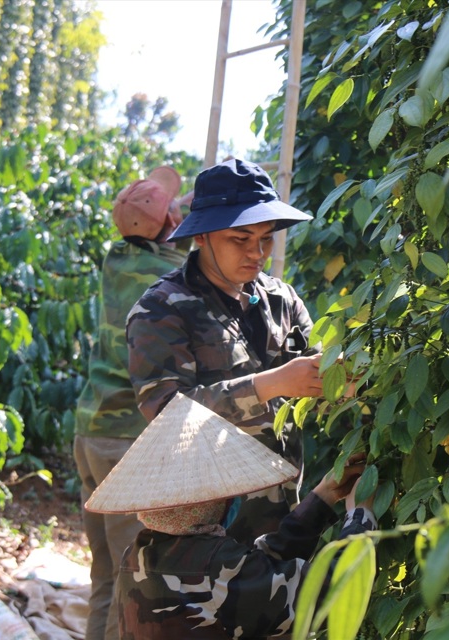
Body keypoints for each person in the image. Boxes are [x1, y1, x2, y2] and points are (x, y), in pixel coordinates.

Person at [126, 158, 321, 545]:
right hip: (203, 536)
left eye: (266, 239)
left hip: (281, 516)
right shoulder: (162, 308)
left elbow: (318, 368)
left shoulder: (281, 299)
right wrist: (268, 385)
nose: (258, 252)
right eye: (241, 239)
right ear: (202, 237)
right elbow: (166, 415)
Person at [84, 393, 377, 639]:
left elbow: (254, 569)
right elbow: (331, 591)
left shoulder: (137, 554)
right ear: (214, 503)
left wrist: (321, 500)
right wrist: (361, 516)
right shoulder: (217, 570)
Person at [73, 165, 191, 640]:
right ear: (167, 226)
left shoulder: (114, 259)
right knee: (133, 582)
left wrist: (166, 214)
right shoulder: (167, 275)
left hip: (90, 430)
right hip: (127, 442)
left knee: (105, 573)